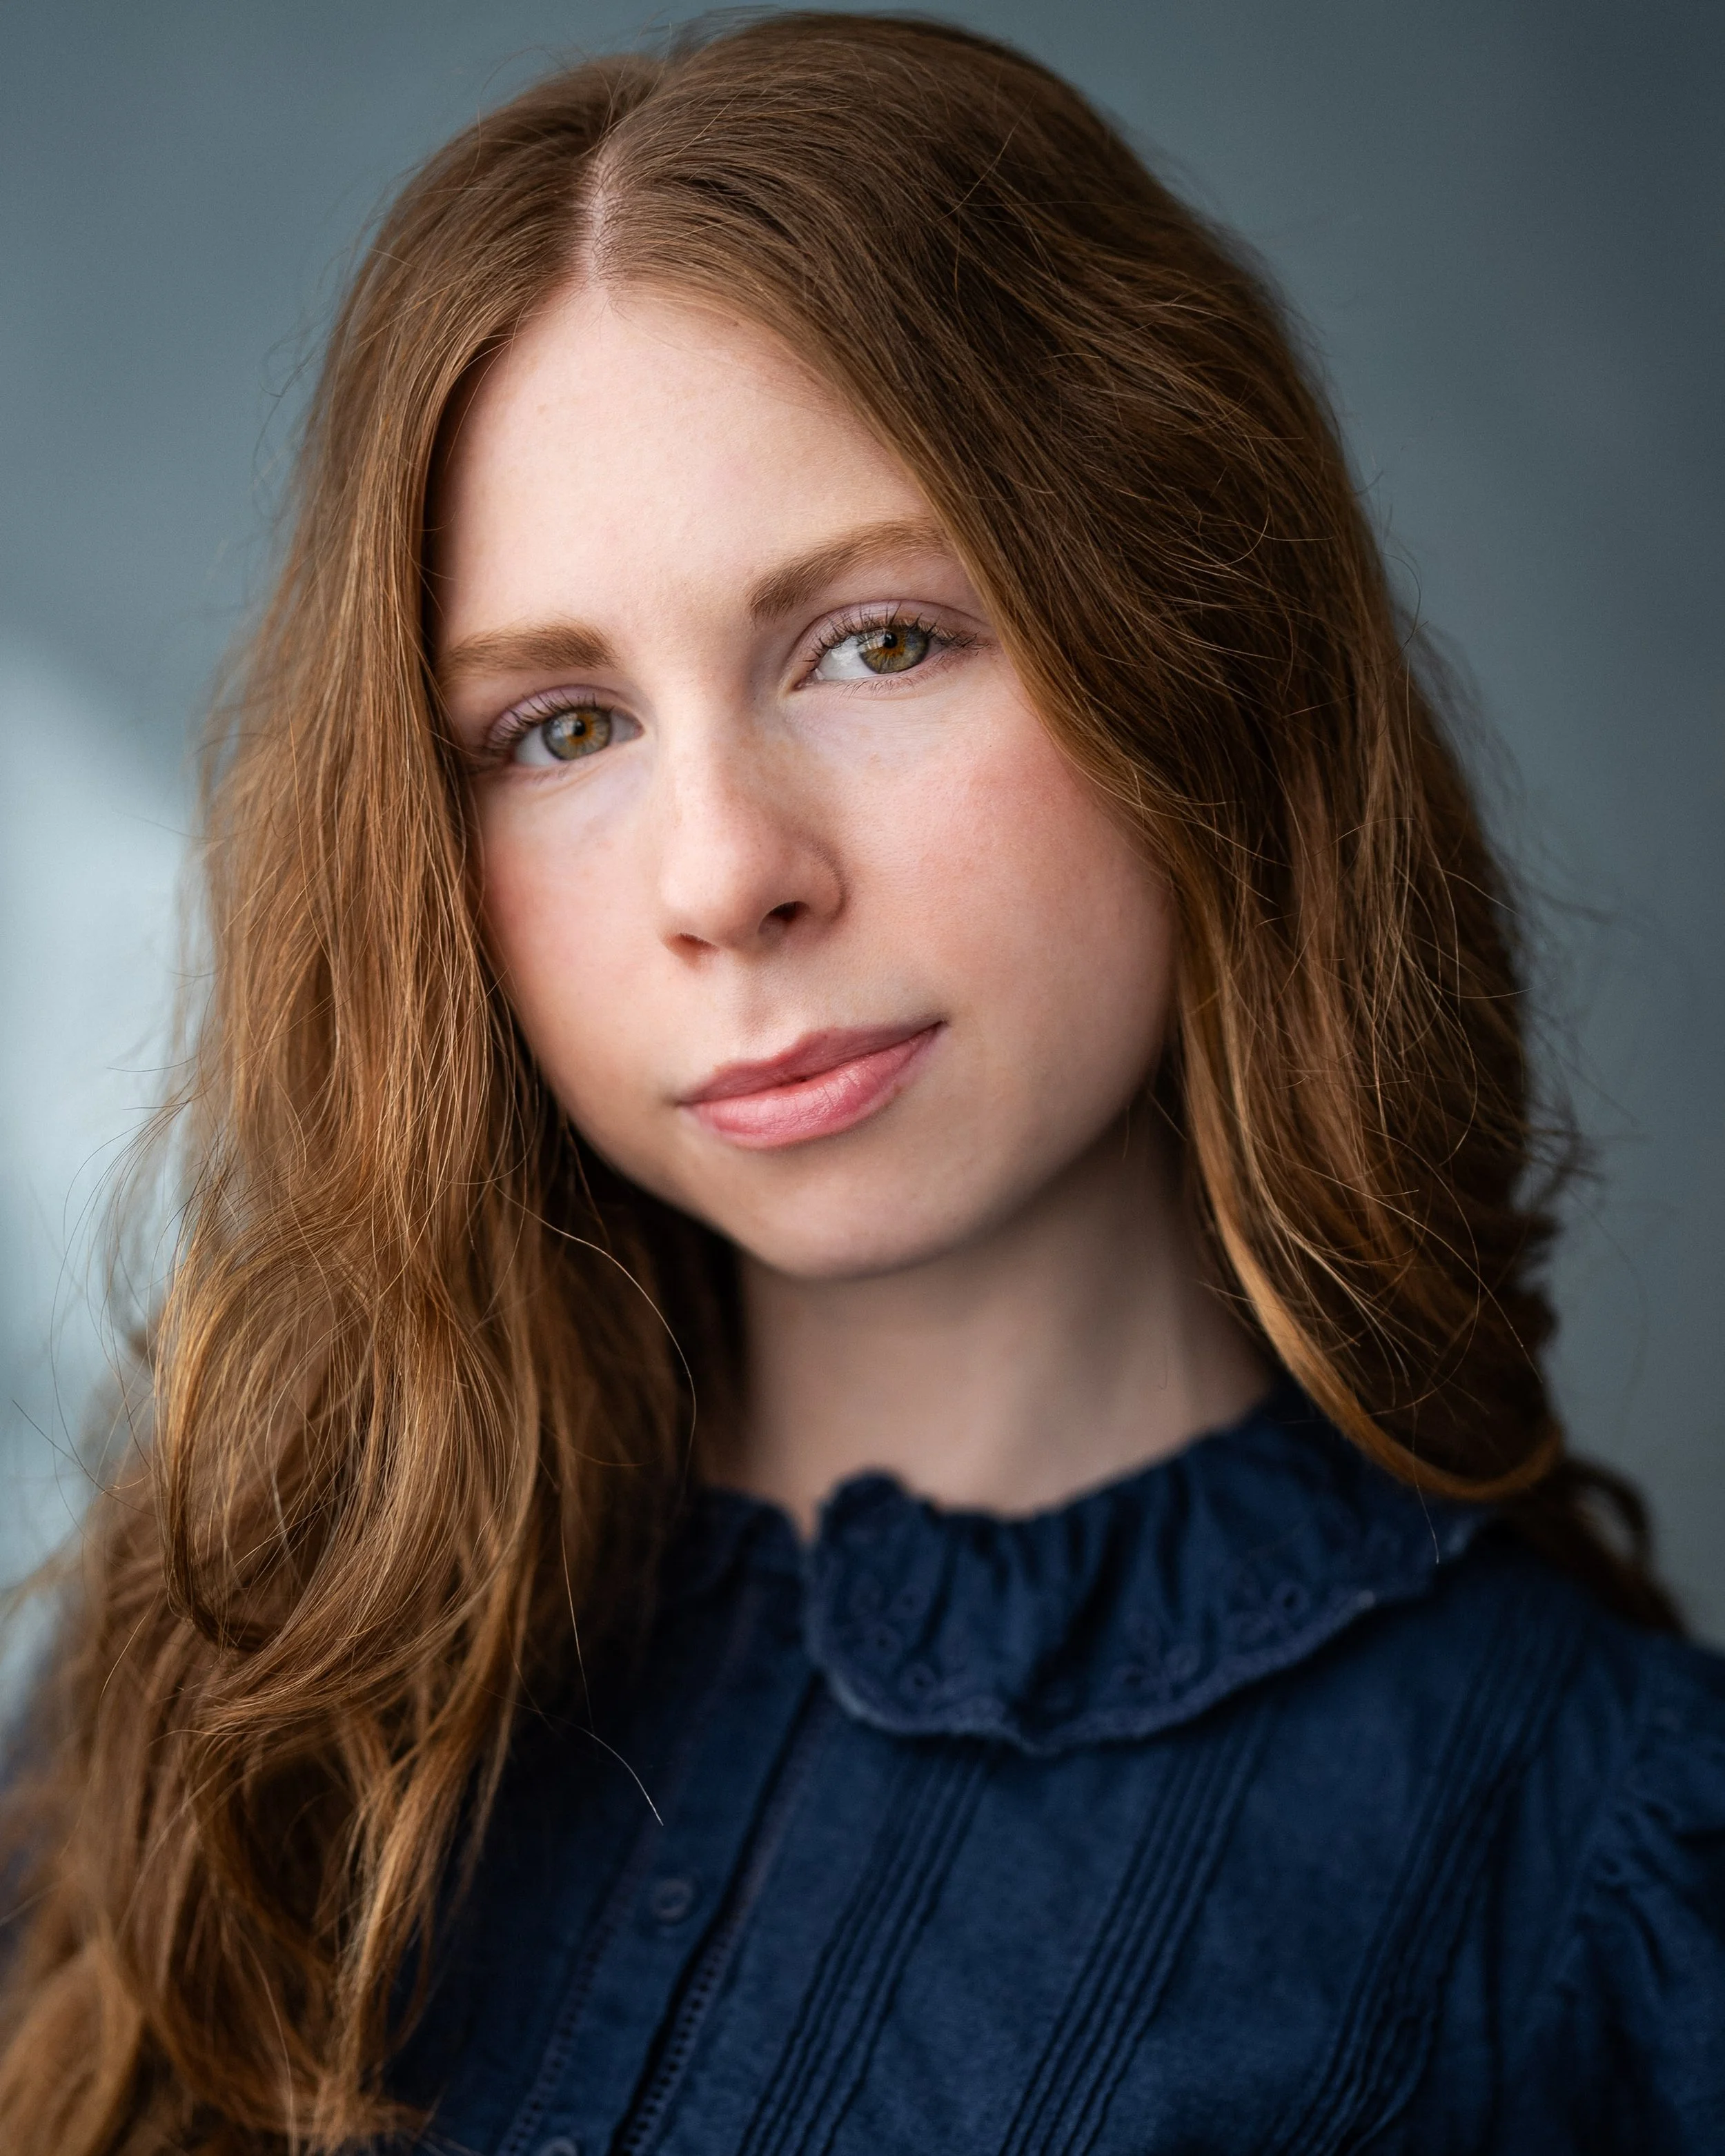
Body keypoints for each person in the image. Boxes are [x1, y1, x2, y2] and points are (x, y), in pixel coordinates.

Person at [2, 13, 1721, 2153]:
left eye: (877, 642)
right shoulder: (229, 1685)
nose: (724, 873)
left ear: (1198, 655)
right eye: (557, 727)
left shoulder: (1605, 1862)